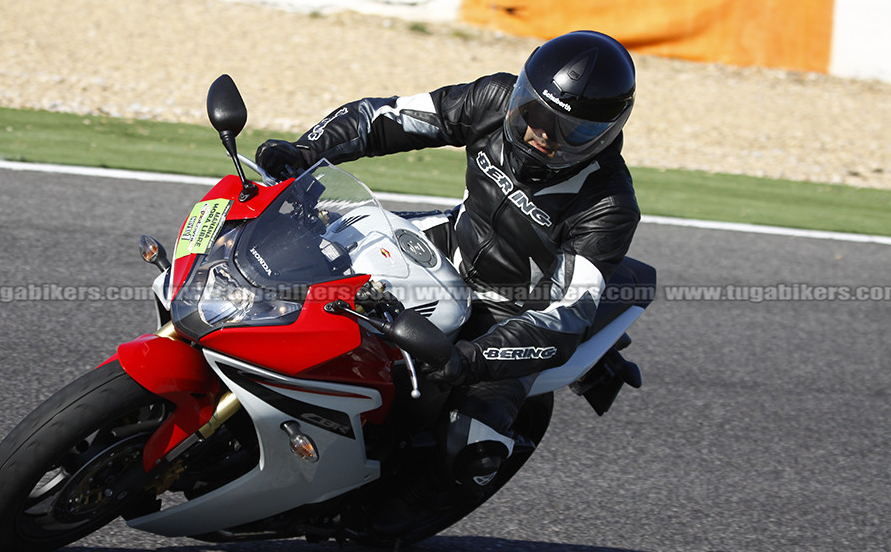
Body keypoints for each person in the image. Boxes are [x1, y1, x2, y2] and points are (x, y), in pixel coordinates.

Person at [256, 30, 640, 493]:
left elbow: (565, 320)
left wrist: (473, 359)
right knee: (304, 260)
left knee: (471, 451)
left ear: (605, 134)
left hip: (509, 313)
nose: (542, 134)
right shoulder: (492, 99)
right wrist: (304, 153)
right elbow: (385, 117)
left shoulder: (608, 205)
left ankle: (374, 501)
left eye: (569, 130)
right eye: (535, 112)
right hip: (445, 242)